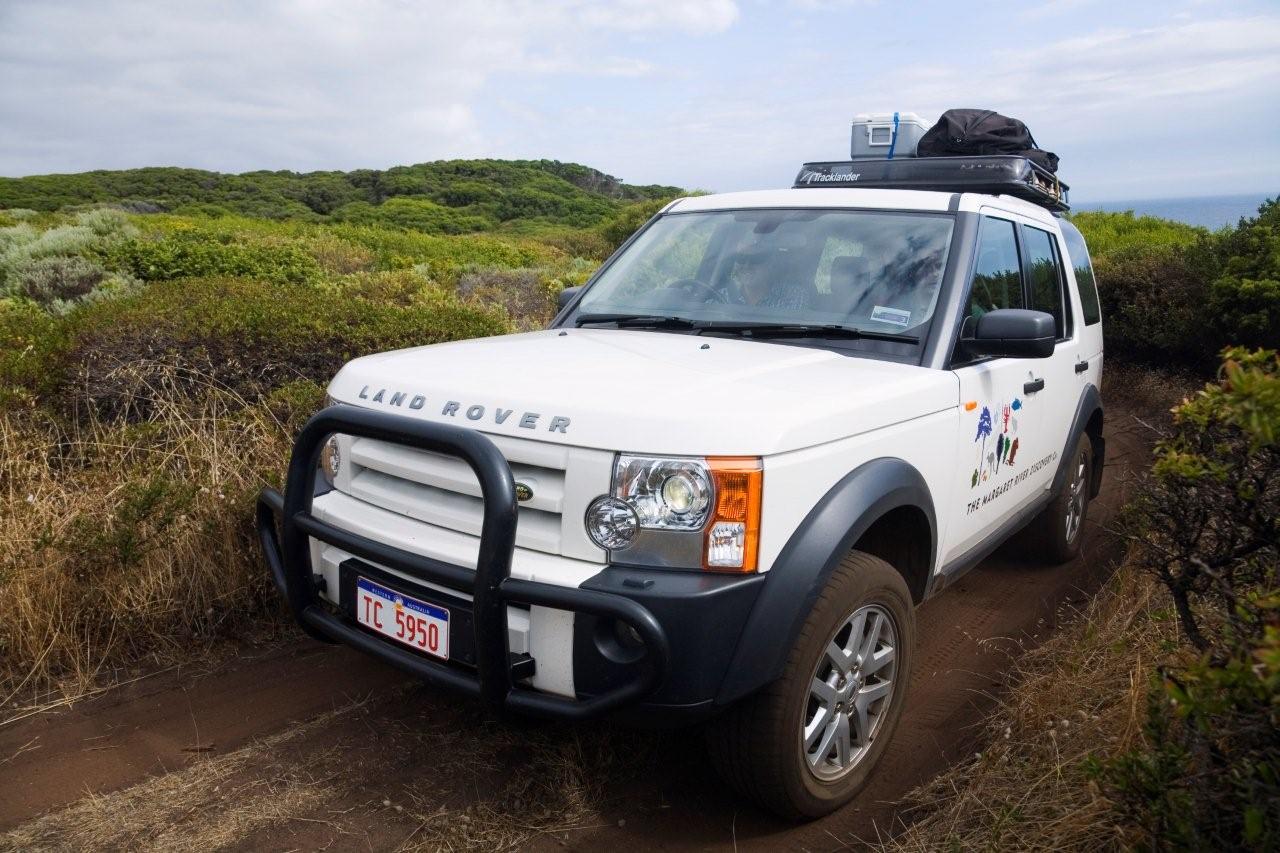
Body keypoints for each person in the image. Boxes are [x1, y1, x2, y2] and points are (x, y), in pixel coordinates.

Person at [729, 249, 811, 310]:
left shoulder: (793, 296)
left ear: (770, 263)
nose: (746, 265)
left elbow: (792, 331)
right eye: (741, 258)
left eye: (755, 259)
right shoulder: (722, 297)